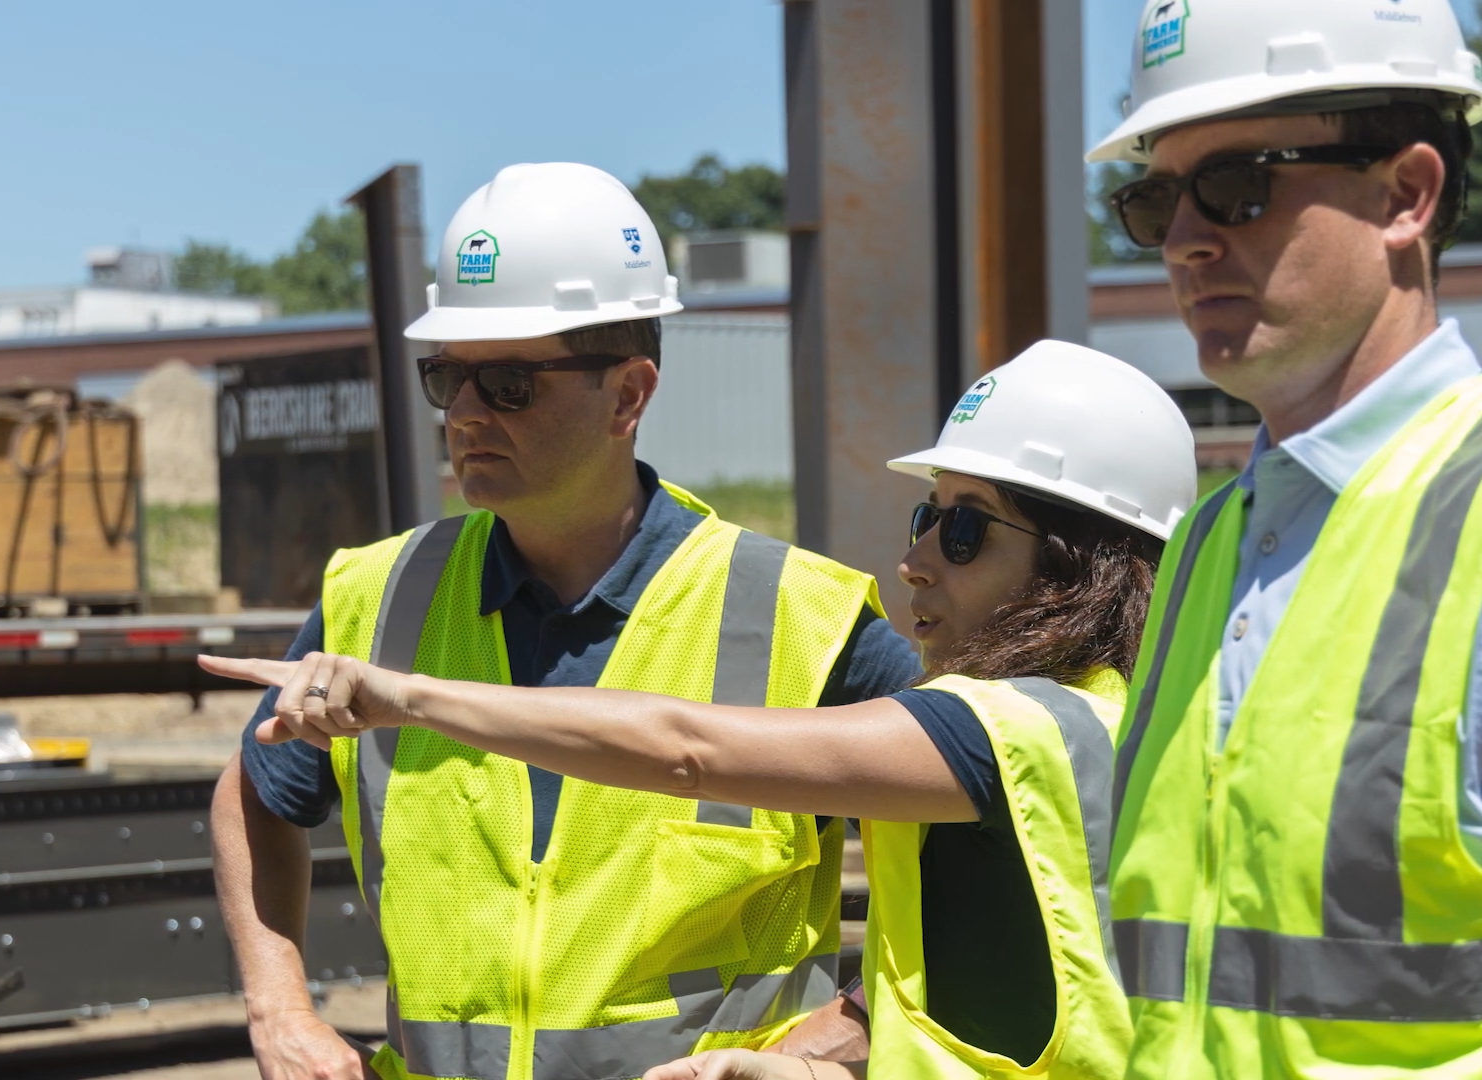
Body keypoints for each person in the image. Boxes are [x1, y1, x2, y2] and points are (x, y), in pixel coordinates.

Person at [207, 340, 1199, 1080]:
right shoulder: (1119, 718)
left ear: (1079, 566)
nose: (917, 557)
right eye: (925, 515)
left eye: (968, 528)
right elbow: (958, 983)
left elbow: (684, 747)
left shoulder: (1005, 732)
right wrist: (818, 1057)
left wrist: (407, 696)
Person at [209, 161, 920, 1080]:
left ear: (629, 394)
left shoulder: (796, 615)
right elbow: (256, 791)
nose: (463, 414)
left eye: (507, 382)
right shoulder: (379, 596)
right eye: (446, 378)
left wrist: (857, 1025)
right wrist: (278, 1010)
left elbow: (989, 843)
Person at [1090, 1, 1482, 1074]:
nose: (1183, 239)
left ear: (1406, 195)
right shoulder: (1208, 545)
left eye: (1237, 185)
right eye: (1153, 199)